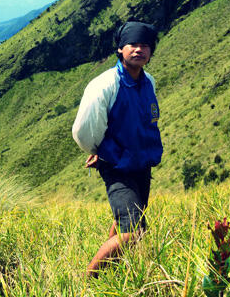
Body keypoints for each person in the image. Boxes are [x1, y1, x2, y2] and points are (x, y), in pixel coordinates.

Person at [72, 20, 163, 277]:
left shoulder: (149, 82)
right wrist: (96, 149)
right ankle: (87, 281)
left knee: (128, 224)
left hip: (141, 164)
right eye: (133, 44)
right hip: (117, 165)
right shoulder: (105, 84)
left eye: (145, 45)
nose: (139, 50)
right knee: (133, 231)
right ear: (120, 49)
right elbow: (84, 128)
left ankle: (111, 271)